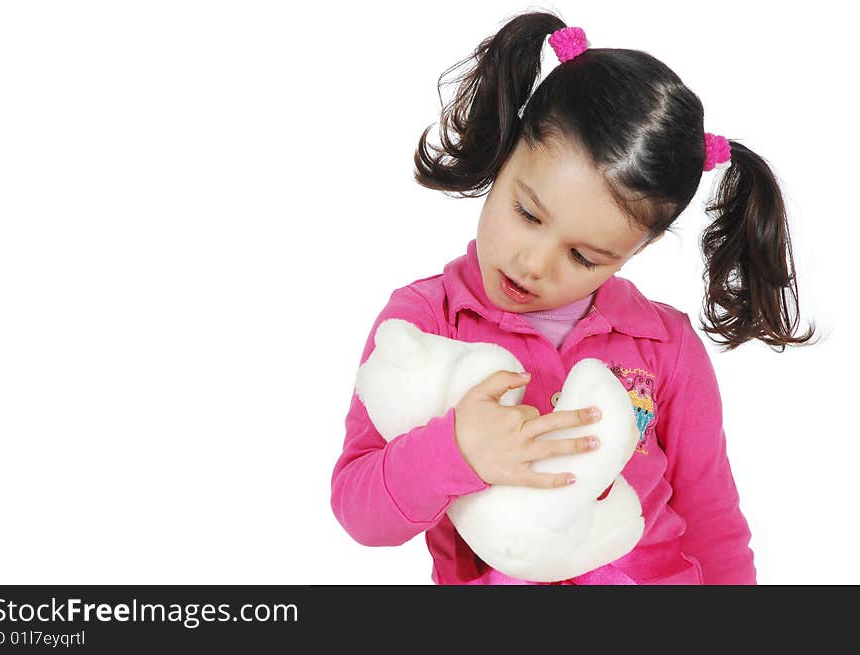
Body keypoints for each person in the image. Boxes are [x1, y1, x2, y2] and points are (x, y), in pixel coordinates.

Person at [330, 11, 816, 585]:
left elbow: (712, 520)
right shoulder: (424, 323)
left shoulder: (665, 347)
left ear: (639, 246)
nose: (534, 264)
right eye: (527, 213)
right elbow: (358, 508)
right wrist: (457, 450)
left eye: (585, 257)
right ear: (507, 152)